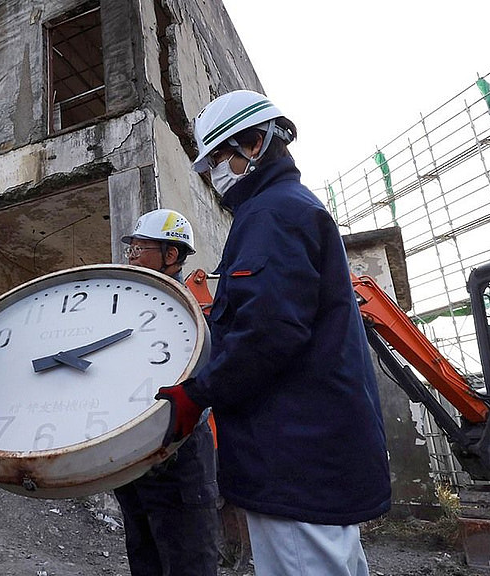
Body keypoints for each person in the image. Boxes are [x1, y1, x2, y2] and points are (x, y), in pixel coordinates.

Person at [154, 90, 391, 575]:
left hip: (294, 460)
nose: (213, 173)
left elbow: (268, 331)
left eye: (219, 156)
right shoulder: (287, 209)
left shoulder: (272, 215)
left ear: (256, 143)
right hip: (311, 454)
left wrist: (195, 394)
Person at [115, 209, 220, 576]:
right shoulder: (131, 305)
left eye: (140, 248)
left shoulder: (191, 316)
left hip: (179, 457)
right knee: (144, 558)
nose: (131, 255)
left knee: (187, 559)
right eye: (132, 248)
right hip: (134, 455)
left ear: (170, 255)